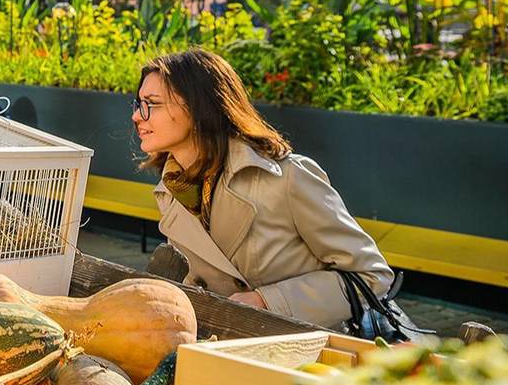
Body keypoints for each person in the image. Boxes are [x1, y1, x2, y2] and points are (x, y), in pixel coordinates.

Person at [134, 49, 400, 332]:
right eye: (137, 104)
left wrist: (267, 301)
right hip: (231, 352)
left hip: (310, 355)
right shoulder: (174, 190)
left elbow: (370, 275)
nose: (138, 116)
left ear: (199, 107)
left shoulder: (286, 178)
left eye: (152, 104)